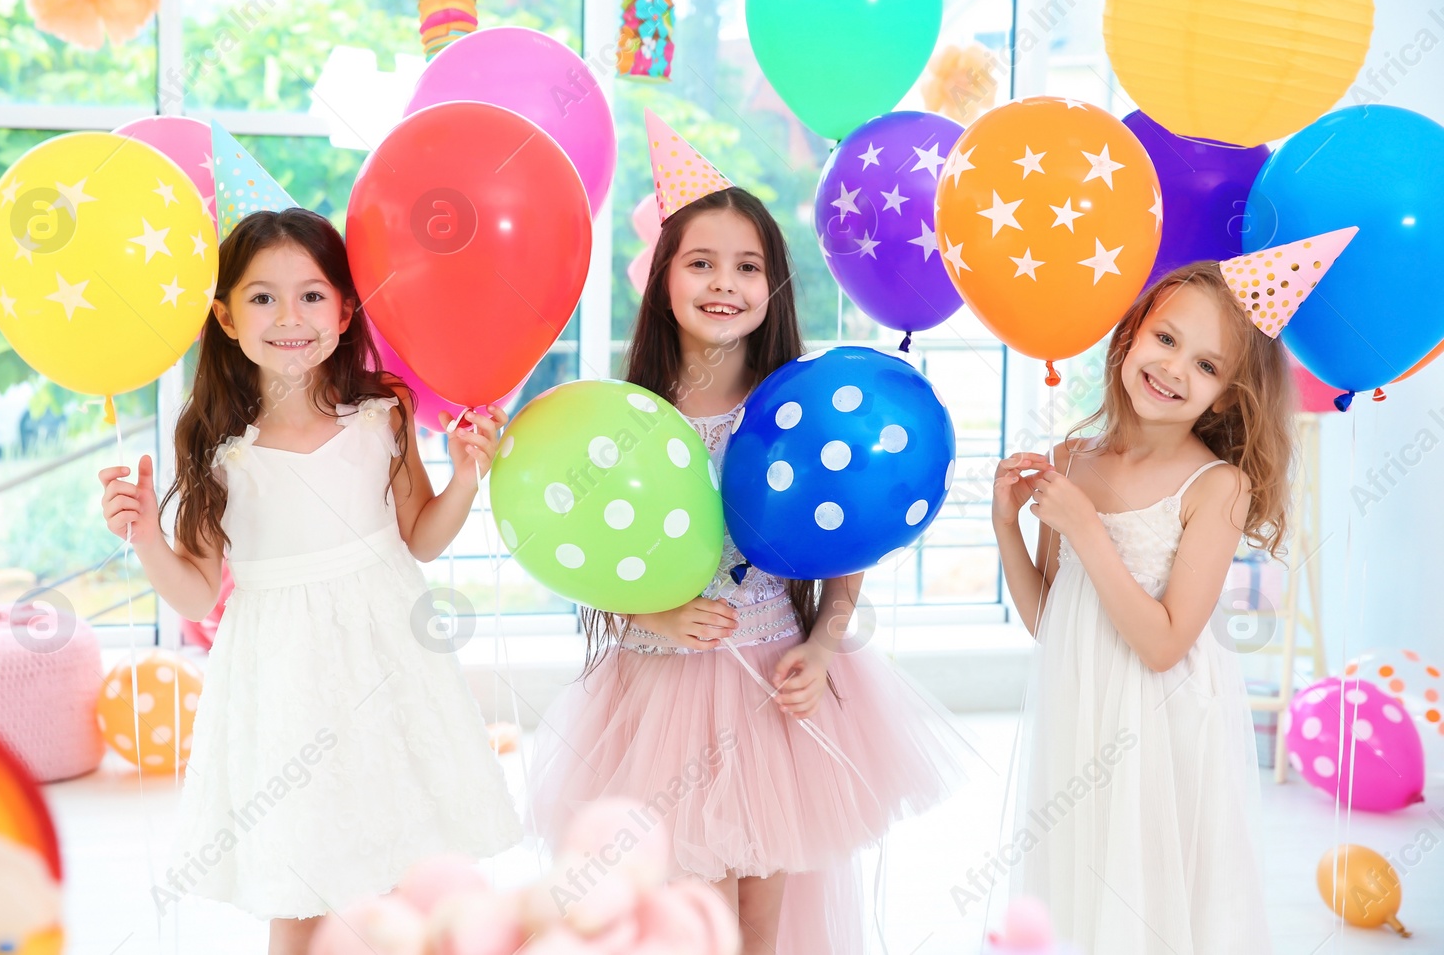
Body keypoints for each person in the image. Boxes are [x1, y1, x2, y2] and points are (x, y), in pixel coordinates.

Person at [528, 112, 980, 955]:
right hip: (660, 691)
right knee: (690, 909)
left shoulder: (794, 408)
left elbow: (845, 547)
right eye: (701, 263)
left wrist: (825, 641)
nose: (723, 282)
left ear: (774, 284)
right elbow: (586, 553)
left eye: (747, 265)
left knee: (760, 919)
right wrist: (650, 617)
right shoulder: (632, 418)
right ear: (663, 279)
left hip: (772, 681)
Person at [99, 206, 520, 955]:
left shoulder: (383, 412)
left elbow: (420, 537)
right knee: (301, 865)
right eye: (262, 297)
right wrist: (144, 538)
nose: (289, 316)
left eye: (312, 295)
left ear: (347, 308)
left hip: (385, 650)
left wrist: (463, 481)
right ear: (224, 317)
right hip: (281, 670)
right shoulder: (217, 441)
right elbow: (198, 591)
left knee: (397, 847)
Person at [993, 255, 1317, 954]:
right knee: (1084, 885)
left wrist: (1085, 526)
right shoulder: (1073, 457)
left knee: (1152, 896)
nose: (1173, 369)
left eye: (1206, 365)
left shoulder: (1215, 486)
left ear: (1228, 396)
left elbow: (1165, 643)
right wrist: (1006, 528)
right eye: (1166, 339)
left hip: (1160, 723)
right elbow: (1051, 621)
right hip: (1081, 707)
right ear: (1130, 335)